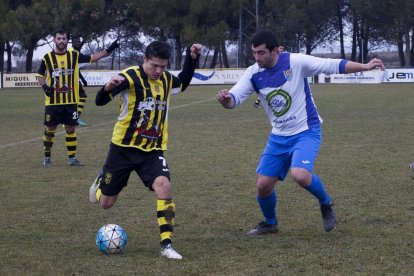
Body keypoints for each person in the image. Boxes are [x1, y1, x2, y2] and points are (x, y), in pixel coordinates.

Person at [217, 29, 384, 236]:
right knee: (263, 186)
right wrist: (226, 101)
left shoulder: (295, 62)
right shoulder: (253, 73)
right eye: (254, 53)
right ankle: (270, 223)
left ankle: (326, 203)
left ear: (275, 51)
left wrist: (365, 66)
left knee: (300, 175)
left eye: (261, 53)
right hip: (278, 136)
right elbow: (234, 98)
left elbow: (331, 65)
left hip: (307, 130)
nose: (257, 57)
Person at [89, 41, 202, 259]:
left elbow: (184, 81)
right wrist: (107, 88)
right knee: (105, 203)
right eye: (154, 66)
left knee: (164, 186)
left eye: (163, 66)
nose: (158, 71)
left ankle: (166, 246)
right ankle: (102, 181)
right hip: (122, 149)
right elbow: (99, 101)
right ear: (144, 59)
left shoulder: (167, 80)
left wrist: (191, 57)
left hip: (152, 151)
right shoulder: (129, 77)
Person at [37, 29, 119, 168]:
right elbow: (40, 75)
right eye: (59, 38)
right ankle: (47, 157)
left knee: (71, 129)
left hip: (71, 101)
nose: (61, 41)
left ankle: (72, 159)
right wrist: (45, 87)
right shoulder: (47, 58)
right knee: (50, 129)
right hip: (53, 102)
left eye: (64, 38)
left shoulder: (74, 55)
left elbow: (94, 57)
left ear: (66, 41)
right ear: (54, 40)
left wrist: (110, 48)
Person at [254, 45, 286, 109]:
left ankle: (257, 102)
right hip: (271, 76)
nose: (281, 49)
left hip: (279, 75)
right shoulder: (272, 57)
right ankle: (257, 102)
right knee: (266, 91)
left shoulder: (285, 57)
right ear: (277, 49)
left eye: (282, 48)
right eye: (280, 48)